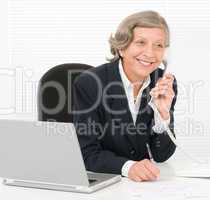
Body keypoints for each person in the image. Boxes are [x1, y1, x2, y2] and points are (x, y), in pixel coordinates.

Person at [73, 10, 177, 182]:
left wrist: (162, 115)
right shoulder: (89, 83)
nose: (150, 53)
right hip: (102, 182)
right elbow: (86, 153)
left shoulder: (164, 84)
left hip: (145, 186)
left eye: (158, 45)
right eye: (141, 42)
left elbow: (161, 155)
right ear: (121, 47)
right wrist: (128, 167)